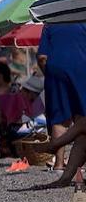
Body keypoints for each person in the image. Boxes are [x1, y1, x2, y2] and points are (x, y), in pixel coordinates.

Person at [36, 22, 86, 183]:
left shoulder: (51, 22)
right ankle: (64, 175)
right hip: (82, 68)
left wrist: (51, 74)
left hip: (56, 70)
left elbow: (42, 57)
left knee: (61, 118)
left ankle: (58, 162)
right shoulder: (82, 20)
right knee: (82, 122)